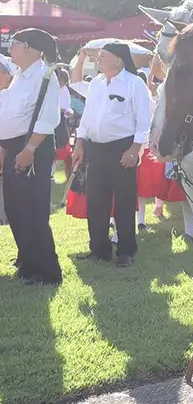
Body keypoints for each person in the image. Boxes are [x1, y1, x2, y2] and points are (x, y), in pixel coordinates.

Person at [71, 41, 152, 268]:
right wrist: (79, 143)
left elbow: (144, 121)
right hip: (96, 148)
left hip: (122, 148)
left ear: (118, 59)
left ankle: (126, 250)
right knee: (96, 200)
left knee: (125, 200)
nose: (99, 59)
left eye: (103, 56)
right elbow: (87, 117)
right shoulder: (96, 83)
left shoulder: (134, 84)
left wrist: (134, 150)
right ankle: (99, 248)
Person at [0, 29, 64, 285]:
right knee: (16, 209)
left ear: (27, 47)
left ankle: (48, 271)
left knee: (33, 210)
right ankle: (27, 261)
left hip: (33, 146)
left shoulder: (45, 75)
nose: (9, 49)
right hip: (13, 146)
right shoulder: (19, 77)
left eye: (13, 45)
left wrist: (28, 150)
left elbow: (47, 119)